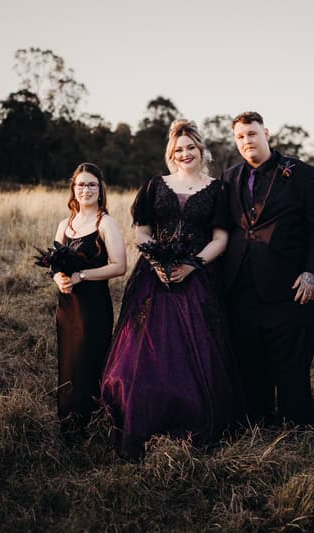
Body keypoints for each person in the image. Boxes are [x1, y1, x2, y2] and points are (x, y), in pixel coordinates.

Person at [100, 119, 244, 458]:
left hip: (198, 277)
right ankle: (140, 419)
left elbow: (221, 239)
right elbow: (142, 231)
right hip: (154, 278)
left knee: (198, 352)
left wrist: (191, 266)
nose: (185, 154)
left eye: (191, 147)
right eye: (179, 149)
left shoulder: (217, 189)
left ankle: (196, 422)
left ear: (201, 150)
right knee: (144, 352)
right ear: (171, 153)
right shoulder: (154, 186)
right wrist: (157, 263)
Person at [221, 111, 314, 426]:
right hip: (241, 284)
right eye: (240, 137)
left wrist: (311, 274)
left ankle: (297, 423)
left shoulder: (303, 173)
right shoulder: (229, 178)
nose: (247, 141)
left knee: (291, 359)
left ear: (266, 133)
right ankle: (258, 418)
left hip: (289, 283)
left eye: (252, 134)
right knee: (250, 356)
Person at [52, 162, 127, 436]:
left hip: (93, 307)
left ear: (100, 189)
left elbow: (119, 266)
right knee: (69, 361)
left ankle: (92, 422)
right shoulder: (65, 224)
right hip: (67, 306)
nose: (86, 189)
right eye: (81, 184)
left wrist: (81, 276)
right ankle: (68, 422)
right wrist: (58, 279)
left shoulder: (105, 223)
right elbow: (54, 265)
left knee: (89, 362)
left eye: (92, 184)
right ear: (73, 188)